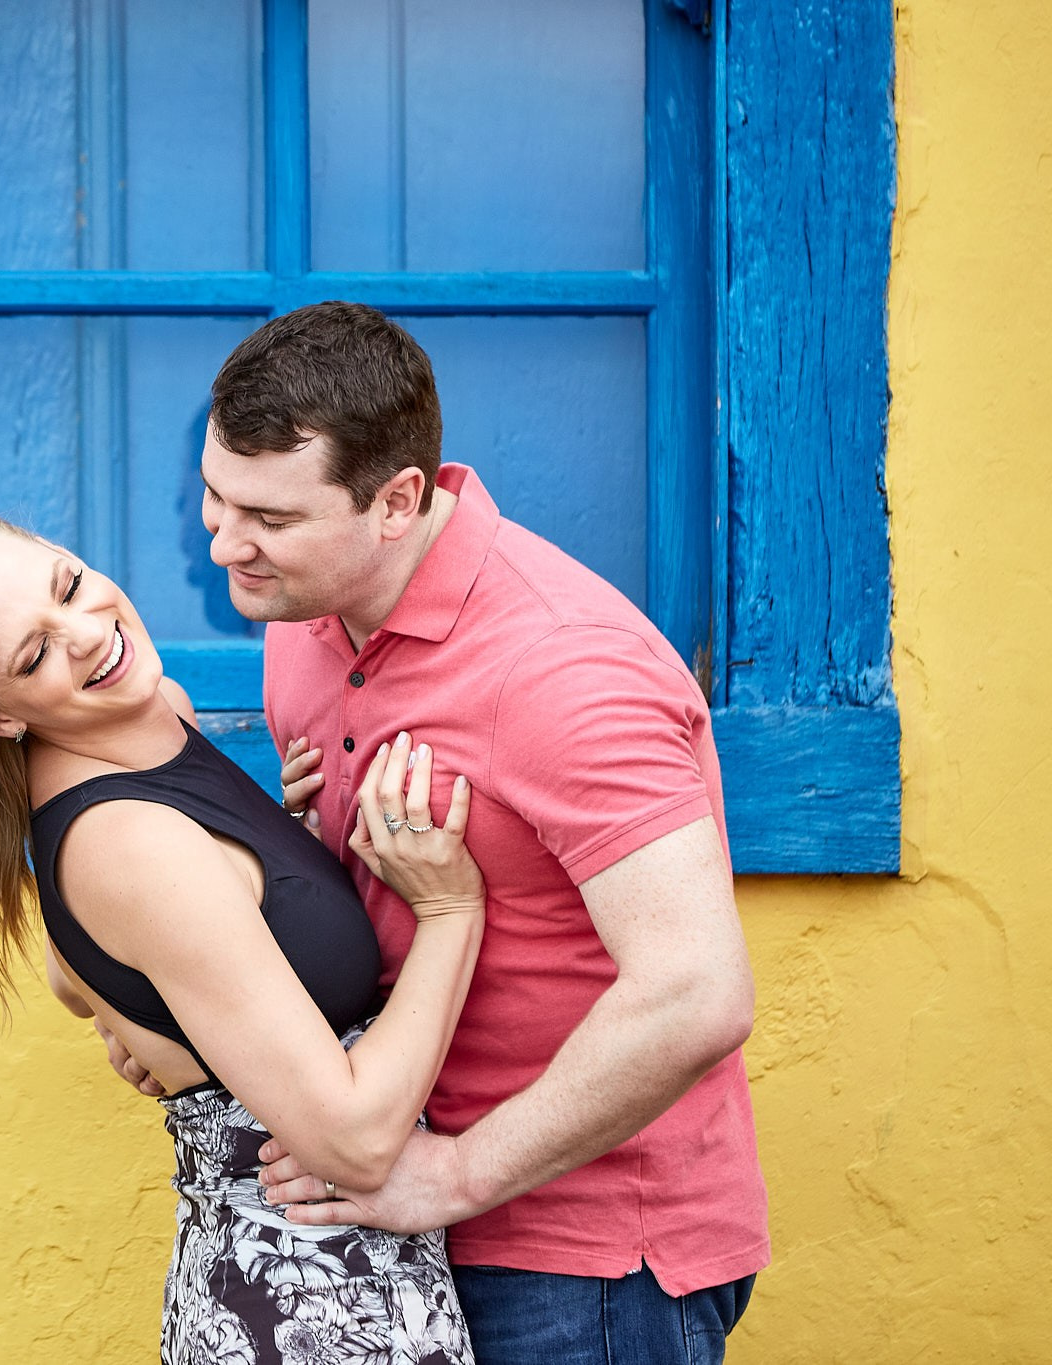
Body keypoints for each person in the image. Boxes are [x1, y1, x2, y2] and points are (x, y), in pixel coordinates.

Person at [121, 300, 766, 1364]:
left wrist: (455, 1176)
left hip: (580, 1257)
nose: (222, 541)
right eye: (213, 496)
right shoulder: (308, 621)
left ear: (396, 502)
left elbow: (696, 992)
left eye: (270, 519)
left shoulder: (566, 669)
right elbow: (361, 908)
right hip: (389, 1221)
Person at [0, 514, 485, 1364]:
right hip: (307, 1315)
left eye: (70, 584)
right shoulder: (127, 842)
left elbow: (75, 966)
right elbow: (353, 1140)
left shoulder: (157, 717)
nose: (91, 634)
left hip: (360, 1292)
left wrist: (268, 869)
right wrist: (454, 912)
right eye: (34, 656)